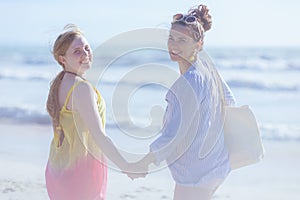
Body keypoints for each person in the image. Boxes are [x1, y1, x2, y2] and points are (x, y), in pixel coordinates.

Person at [135, 4, 236, 200]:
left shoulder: (189, 81)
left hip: (196, 173)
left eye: (182, 40)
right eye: (171, 38)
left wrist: (144, 162)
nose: (174, 45)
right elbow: (229, 100)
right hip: (215, 165)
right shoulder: (207, 69)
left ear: (198, 45)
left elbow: (174, 134)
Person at [45, 25, 144, 200]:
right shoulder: (81, 88)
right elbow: (99, 135)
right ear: (62, 59)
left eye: (87, 48)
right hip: (81, 173)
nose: (85, 53)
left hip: (58, 168)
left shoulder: (59, 84)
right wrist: (126, 165)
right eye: (77, 51)